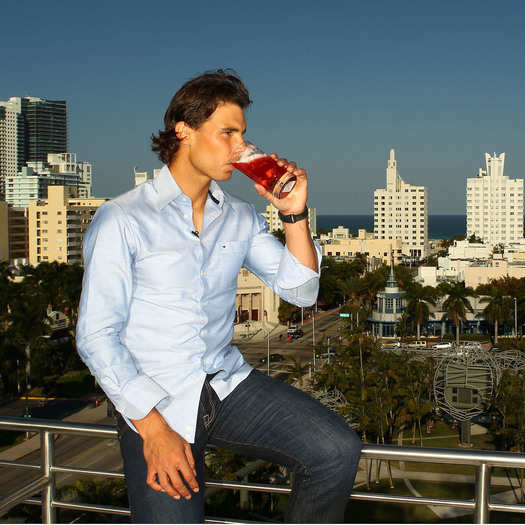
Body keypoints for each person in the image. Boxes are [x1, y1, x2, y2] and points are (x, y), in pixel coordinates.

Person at [76, 69, 362, 523]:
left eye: (243, 134)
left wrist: (294, 215)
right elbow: (96, 336)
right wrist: (152, 431)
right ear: (183, 131)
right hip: (159, 404)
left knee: (336, 451)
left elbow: (302, 291)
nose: (241, 148)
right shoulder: (122, 219)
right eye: (227, 132)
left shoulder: (240, 217)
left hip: (228, 386)